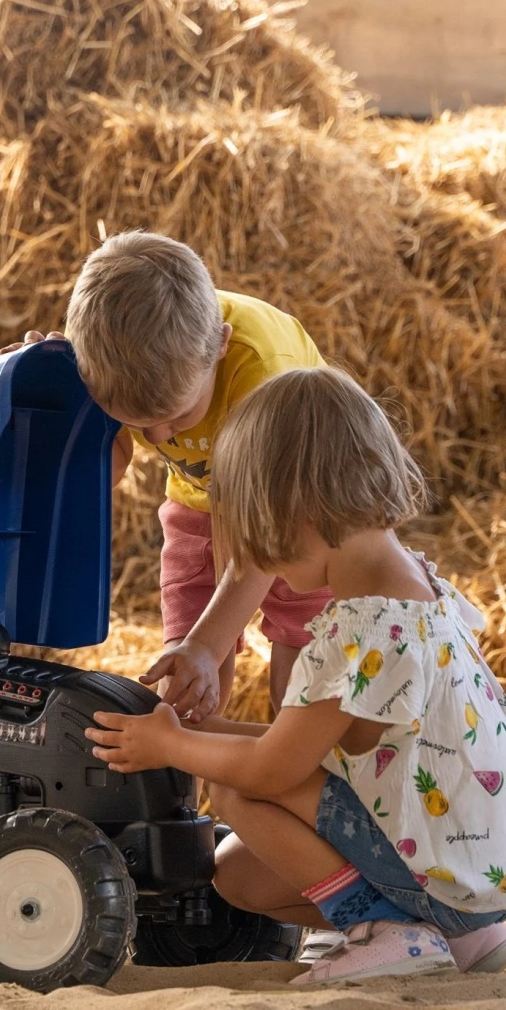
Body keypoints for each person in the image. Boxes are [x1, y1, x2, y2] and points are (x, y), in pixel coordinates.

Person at [83, 367, 506, 984]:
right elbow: (335, 749)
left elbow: (272, 771)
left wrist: (172, 747)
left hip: (440, 877)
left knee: (238, 792)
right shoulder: (418, 592)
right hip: (479, 871)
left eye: (259, 541)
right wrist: (210, 727)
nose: (258, 564)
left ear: (300, 518)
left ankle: (387, 929)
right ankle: (466, 940)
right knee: (240, 875)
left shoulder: (360, 632)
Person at [60, 231, 331, 717]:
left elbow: (263, 544)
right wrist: (54, 398)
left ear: (221, 347)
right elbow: (107, 465)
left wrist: (209, 644)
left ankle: (289, 775)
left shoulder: (266, 375)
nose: (160, 439)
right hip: (199, 501)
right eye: (139, 423)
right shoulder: (114, 360)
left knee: (300, 672)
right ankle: (190, 787)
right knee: (185, 678)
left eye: (177, 416)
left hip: (298, 506)